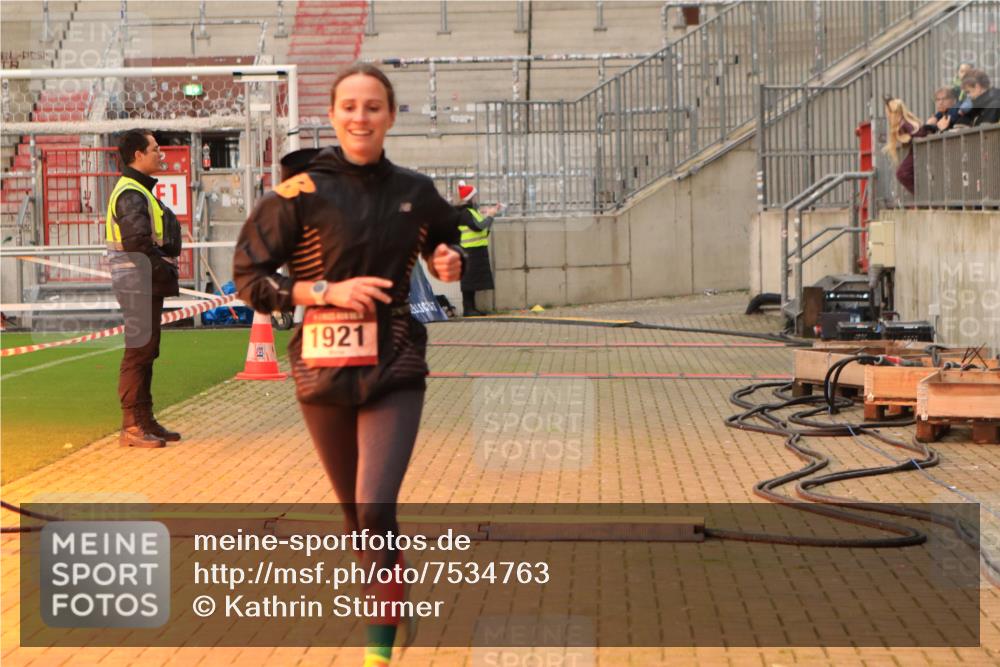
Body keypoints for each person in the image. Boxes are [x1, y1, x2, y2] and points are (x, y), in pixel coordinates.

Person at [233, 63, 464, 666]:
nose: (361, 117)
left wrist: (447, 261)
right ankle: (391, 590)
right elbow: (249, 278)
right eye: (349, 106)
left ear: (390, 115)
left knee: (374, 507)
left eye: (373, 106)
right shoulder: (299, 193)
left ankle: (378, 653)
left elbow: (446, 241)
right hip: (322, 368)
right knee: (357, 522)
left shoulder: (415, 188)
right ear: (333, 115)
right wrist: (321, 293)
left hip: (397, 361)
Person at [107, 129, 182, 448]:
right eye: (155, 148)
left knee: (147, 350)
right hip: (136, 282)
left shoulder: (137, 190)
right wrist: (163, 270)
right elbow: (137, 244)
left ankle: (144, 420)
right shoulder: (131, 193)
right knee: (139, 352)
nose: (160, 153)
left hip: (140, 282)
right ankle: (132, 425)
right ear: (137, 155)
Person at [454, 180, 501, 316]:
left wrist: (490, 215)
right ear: (470, 198)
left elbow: (482, 229)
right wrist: (491, 216)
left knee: (472, 280)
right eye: (475, 196)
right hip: (469, 250)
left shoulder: (471, 212)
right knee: (468, 280)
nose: (476, 199)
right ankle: (468, 309)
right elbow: (478, 226)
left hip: (475, 250)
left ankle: (471, 308)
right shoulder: (466, 213)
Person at [883, 97, 928, 195]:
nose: (887, 115)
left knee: (902, 173)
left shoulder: (903, 125)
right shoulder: (906, 122)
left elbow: (910, 137)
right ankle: (920, 196)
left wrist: (904, 138)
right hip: (920, 150)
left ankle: (920, 195)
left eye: (887, 112)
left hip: (920, 151)